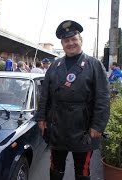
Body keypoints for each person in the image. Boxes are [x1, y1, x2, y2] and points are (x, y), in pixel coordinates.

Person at [36, 20, 110, 180]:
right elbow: (45, 94)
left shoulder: (94, 64)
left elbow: (103, 98)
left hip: (83, 127)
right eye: (66, 41)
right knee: (56, 167)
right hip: (57, 126)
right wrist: (41, 117)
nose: (70, 43)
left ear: (80, 41)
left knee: (82, 169)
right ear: (62, 44)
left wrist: (98, 125)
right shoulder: (54, 65)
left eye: (73, 39)